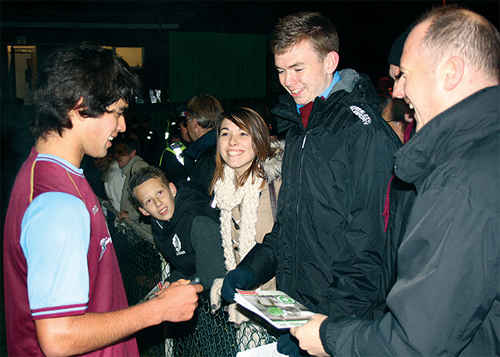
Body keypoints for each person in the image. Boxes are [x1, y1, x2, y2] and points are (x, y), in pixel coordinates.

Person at [290, 6, 500, 356]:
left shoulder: (462, 180)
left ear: (450, 73)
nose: (398, 91)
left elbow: (415, 341)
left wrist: (328, 336)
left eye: (404, 75)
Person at [3, 42, 202, 357]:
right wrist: (158, 311)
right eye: (118, 112)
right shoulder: (57, 203)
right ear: (81, 105)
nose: (122, 127)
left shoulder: (47, 174)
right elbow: (59, 337)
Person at [221, 12, 401, 355]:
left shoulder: (364, 135)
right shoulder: (301, 129)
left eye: (298, 68)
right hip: (301, 316)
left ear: (330, 61)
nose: (288, 80)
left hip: (345, 327)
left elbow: (368, 250)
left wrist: (325, 328)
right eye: (280, 70)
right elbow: (289, 226)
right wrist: (250, 270)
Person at [209, 108, 284, 348]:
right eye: (225, 133)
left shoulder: (279, 185)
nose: (232, 142)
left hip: (283, 308)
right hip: (248, 311)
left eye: (243, 134)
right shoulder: (222, 190)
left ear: (259, 138)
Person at [129, 165, 226, 292]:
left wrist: (174, 292)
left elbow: (212, 276)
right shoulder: (159, 224)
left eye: (160, 193)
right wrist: (171, 281)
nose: (158, 203)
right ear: (143, 211)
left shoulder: (198, 222)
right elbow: (185, 266)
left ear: (172, 189)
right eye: (148, 201)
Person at [183, 93, 223, 193]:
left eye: (187, 121)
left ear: (194, 123)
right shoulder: (223, 146)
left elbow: (202, 203)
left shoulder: (207, 160)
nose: (186, 125)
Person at [113, 136, 150, 227]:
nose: (115, 156)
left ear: (133, 153)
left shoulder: (138, 166)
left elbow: (148, 196)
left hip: (142, 231)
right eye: (115, 153)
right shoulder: (132, 168)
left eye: (120, 152)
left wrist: (132, 215)